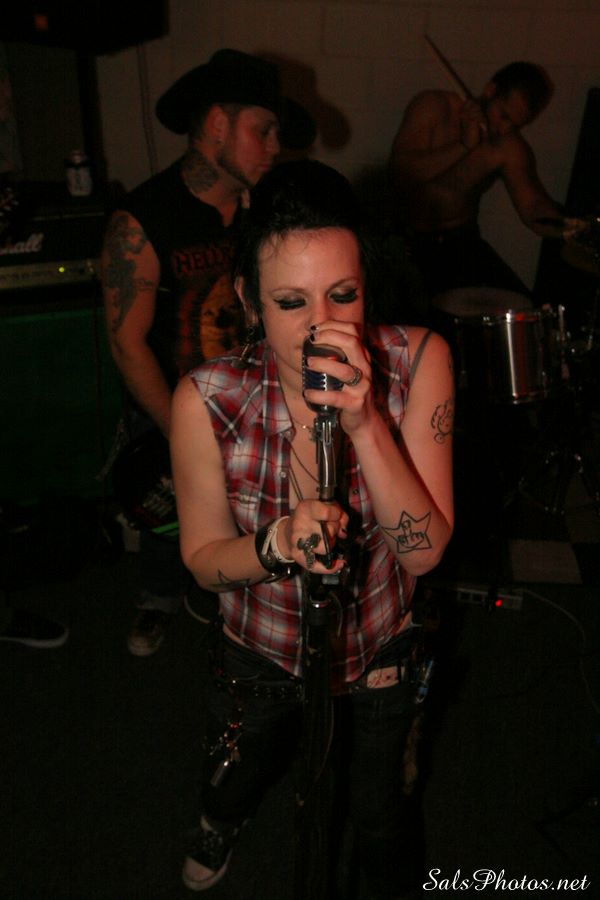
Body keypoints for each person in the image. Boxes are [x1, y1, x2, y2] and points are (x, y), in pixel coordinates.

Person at [170, 160, 454, 897]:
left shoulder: (420, 359)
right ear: (248, 299)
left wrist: (366, 424)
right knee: (235, 771)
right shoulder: (207, 398)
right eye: (291, 302)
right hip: (260, 648)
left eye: (343, 295)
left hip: (381, 641)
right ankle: (218, 820)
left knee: (381, 811)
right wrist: (277, 545)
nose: (322, 325)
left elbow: (425, 553)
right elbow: (202, 559)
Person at [101, 49, 315, 657]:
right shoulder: (144, 217)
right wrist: (185, 435)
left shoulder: (266, 209)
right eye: (262, 129)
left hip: (259, 397)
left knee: (262, 516)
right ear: (218, 124)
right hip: (174, 404)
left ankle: (250, 607)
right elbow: (126, 342)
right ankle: (158, 599)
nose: (274, 146)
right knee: (175, 517)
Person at [388, 61, 576, 309]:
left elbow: (533, 207)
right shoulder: (434, 107)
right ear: (490, 90)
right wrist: (464, 146)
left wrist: (573, 228)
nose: (503, 128)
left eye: (515, 125)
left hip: (460, 242)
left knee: (524, 311)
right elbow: (402, 172)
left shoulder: (507, 145)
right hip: (404, 243)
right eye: (504, 115)